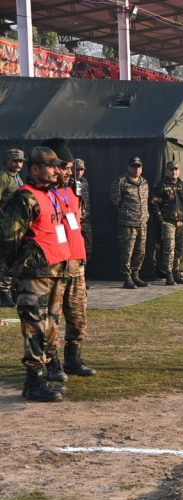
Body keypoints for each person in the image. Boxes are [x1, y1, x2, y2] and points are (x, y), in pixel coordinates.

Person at [0, 146, 70, 402]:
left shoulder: (50, 195)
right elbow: (8, 238)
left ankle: (45, 372)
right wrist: (20, 265)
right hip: (34, 273)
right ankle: (33, 381)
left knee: (50, 325)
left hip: (53, 270)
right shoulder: (24, 198)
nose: (56, 170)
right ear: (36, 168)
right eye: (51, 166)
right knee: (34, 326)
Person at [48, 143, 95, 380]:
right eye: (65, 167)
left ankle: (73, 358)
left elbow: (77, 222)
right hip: (54, 264)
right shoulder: (41, 193)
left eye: (70, 168)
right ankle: (51, 361)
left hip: (75, 262)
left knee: (78, 316)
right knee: (51, 317)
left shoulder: (73, 192)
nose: (69, 172)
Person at [109, 156, 150, 289]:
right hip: (127, 223)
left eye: (139, 167)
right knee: (127, 252)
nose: (137, 169)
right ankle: (127, 278)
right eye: (134, 166)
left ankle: (135, 275)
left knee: (140, 251)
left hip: (142, 223)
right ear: (128, 167)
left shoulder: (144, 182)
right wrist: (126, 213)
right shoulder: (121, 181)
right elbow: (114, 200)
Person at [150, 161, 183, 286]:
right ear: (167, 171)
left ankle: (176, 271)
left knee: (178, 248)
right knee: (169, 249)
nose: (174, 172)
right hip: (168, 222)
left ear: (179, 171)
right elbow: (154, 204)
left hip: (181, 223)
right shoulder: (161, 185)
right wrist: (161, 220)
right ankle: (169, 274)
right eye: (172, 169)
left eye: (176, 169)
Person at [0, 148, 25, 307]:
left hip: (17, 226)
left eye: (21, 161)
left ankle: (11, 292)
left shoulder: (18, 179)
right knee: (4, 260)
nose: (18, 164)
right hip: (5, 226)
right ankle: (3, 294)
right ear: (6, 161)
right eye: (14, 161)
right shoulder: (3, 177)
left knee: (14, 260)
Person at [73, 159, 94, 264]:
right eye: (77, 169)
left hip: (85, 220)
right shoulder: (68, 182)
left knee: (88, 247)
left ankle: (82, 271)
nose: (79, 172)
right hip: (72, 221)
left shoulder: (84, 182)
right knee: (73, 247)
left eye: (81, 170)